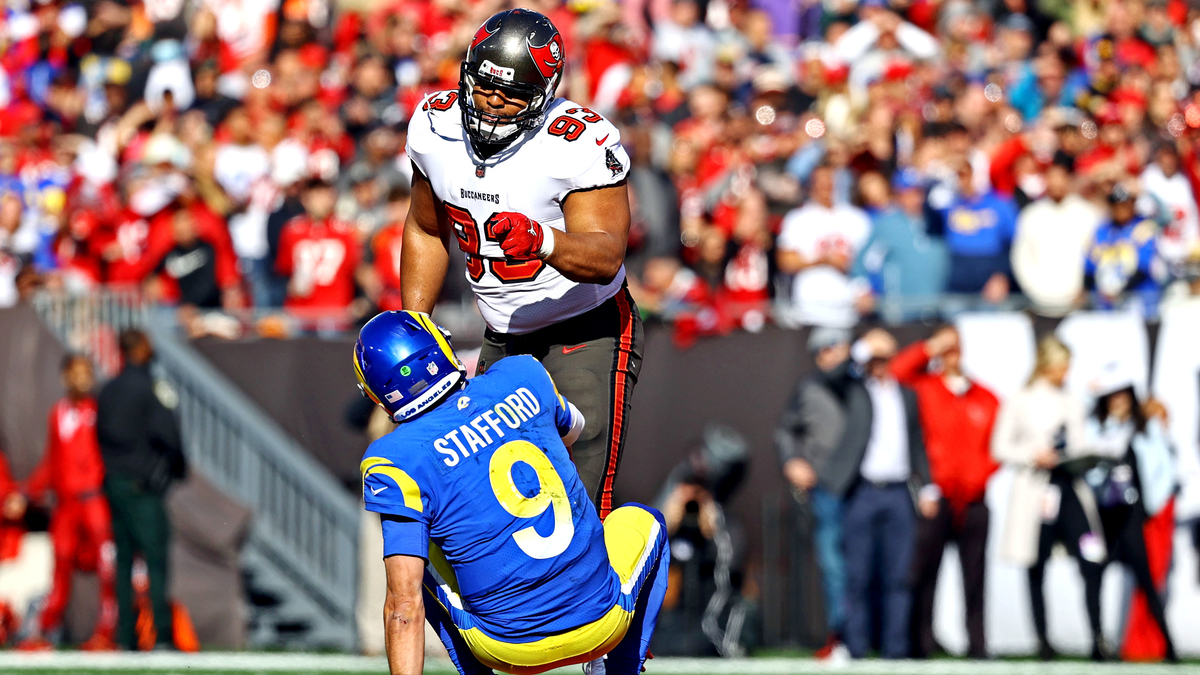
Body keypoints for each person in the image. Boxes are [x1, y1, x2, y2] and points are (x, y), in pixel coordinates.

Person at [400, 9, 641, 518]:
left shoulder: (575, 142)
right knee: (492, 498)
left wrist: (545, 241)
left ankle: (598, 596)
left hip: (585, 327)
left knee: (577, 499)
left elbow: (606, 254)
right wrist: (417, 322)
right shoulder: (435, 124)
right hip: (502, 332)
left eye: (511, 94)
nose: (492, 100)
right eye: (485, 83)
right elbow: (426, 227)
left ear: (544, 93)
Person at [353, 311, 667, 675]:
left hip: (505, 648)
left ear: (377, 392)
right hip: (602, 624)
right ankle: (620, 670)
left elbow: (403, 607)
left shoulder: (391, 459)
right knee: (647, 521)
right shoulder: (522, 374)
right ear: (441, 346)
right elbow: (570, 432)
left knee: (413, 563)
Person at [991, 336, 1105, 660]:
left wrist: (1081, 456)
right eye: (1062, 366)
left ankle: (1098, 637)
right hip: (1036, 494)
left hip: (1070, 489)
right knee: (1035, 563)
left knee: (1091, 556)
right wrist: (1032, 454)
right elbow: (1000, 447)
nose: (1065, 373)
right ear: (1048, 365)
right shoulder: (1021, 399)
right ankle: (1043, 640)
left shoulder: (1071, 400)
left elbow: (1080, 441)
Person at [825, 328, 935, 659]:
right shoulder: (856, 390)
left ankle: (895, 651)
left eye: (885, 358)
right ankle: (857, 648)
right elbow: (833, 374)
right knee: (857, 576)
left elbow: (917, 442)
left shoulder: (906, 395)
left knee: (898, 577)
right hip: (863, 491)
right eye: (875, 359)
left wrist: (927, 485)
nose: (880, 365)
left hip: (899, 492)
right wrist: (862, 347)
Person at [890, 327, 999, 659]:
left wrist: (977, 478)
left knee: (976, 576)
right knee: (925, 575)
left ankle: (977, 644)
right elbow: (897, 372)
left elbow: (998, 445)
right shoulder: (925, 388)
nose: (952, 355)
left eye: (956, 348)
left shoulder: (984, 396)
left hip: (974, 499)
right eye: (946, 349)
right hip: (936, 497)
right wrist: (929, 347)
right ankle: (922, 643)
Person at [97, 330, 187, 651]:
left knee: (123, 560)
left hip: (114, 483)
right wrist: (175, 469)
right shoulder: (150, 389)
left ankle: (126, 636)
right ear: (139, 349)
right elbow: (170, 437)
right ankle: (161, 634)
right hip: (143, 486)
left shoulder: (107, 390)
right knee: (156, 559)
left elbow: (100, 437)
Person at [19, 355, 117, 651]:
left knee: (105, 565)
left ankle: (107, 630)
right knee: (60, 564)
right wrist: (28, 490)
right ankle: (47, 629)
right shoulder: (57, 413)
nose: (80, 379)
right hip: (66, 504)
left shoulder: (99, 411)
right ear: (65, 377)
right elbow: (52, 460)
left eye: (85, 373)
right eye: (75, 374)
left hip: (93, 499)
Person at [1082, 373, 1178, 662]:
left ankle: (1168, 646)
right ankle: (1098, 643)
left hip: (1133, 516)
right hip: (1105, 516)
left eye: (1123, 394)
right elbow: (1089, 465)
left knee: (1146, 580)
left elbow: (1165, 470)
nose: (1119, 400)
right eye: (1112, 395)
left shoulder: (1145, 427)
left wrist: (1150, 505)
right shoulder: (1097, 427)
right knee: (1094, 575)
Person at [774, 327, 856, 659]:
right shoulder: (809, 389)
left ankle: (878, 636)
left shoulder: (864, 386)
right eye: (821, 349)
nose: (827, 354)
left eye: (833, 346)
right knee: (834, 565)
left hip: (867, 487)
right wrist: (793, 460)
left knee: (873, 565)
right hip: (828, 488)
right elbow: (785, 430)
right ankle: (840, 636)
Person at [776, 164, 872, 328]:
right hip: (810, 311)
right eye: (820, 182)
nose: (825, 187)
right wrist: (823, 260)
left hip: (850, 311)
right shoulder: (798, 219)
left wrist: (854, 269)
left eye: (829, 181)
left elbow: (871, 262)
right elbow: (785, 260)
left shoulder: (857, 218)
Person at [1010, 153, 1103, 316]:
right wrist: (1034, 290)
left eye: (1060, 178)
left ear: (1069, 179)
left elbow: (1097, 255)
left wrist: (1085, 288)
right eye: (1051, 178)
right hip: (1040, 302)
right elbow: (1021, 257)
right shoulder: (1031, 215)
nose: (1056, 183)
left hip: (1079, 302)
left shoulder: (1089, 215)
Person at [1085, 183, 1165, 315]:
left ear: (1132, 204)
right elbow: (1089, 267)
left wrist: (1118, 292)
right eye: (1116, 204)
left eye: (1124, 203)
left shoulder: (1143, 227)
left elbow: (1142, 269)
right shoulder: (1102, 230)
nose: (1120, 208)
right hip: (1106, 306)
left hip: (1138, 302)